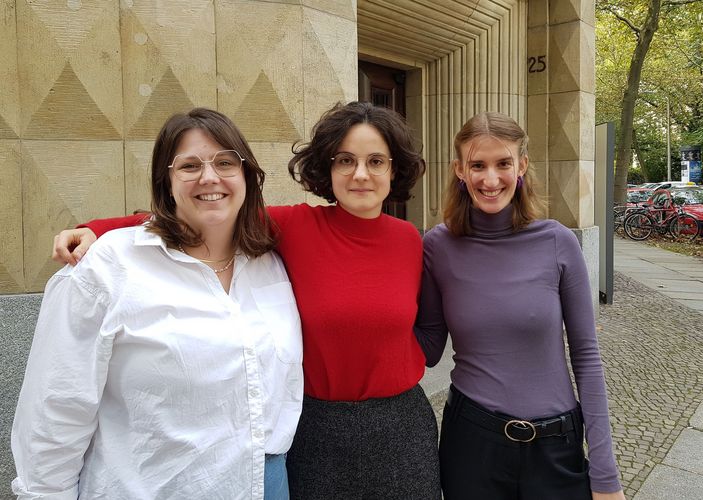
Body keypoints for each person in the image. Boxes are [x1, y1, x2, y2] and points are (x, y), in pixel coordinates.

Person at [51, 102, 442, 499]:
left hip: (401, 427)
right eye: (345, 160)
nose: (360, 174)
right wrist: (97, 228)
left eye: (376, 161)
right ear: (328, 168)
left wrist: (397, 361)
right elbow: (197, 213)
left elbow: (427, 328)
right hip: (317, 429)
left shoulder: (409, 239)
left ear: (395, 169)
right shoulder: (296, 227)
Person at [13, 108, 303, 500]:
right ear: (166, 182)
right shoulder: (108, 268)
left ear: (248, 176)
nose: (209, 177)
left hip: (265, 483)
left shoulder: (269, 263)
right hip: (156, 485)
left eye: (225, 162)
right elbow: (56, 407)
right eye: (189, 166)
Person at [414, 112, 625, 499]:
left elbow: (587, 355)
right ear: (459, 169)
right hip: (473, 444)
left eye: (503, 163)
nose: (490, 179)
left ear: (522, 165)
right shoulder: (438, 247)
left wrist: (606, 474)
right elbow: (427, 349)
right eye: (477, 165)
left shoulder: (558, 242)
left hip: (556, 444)